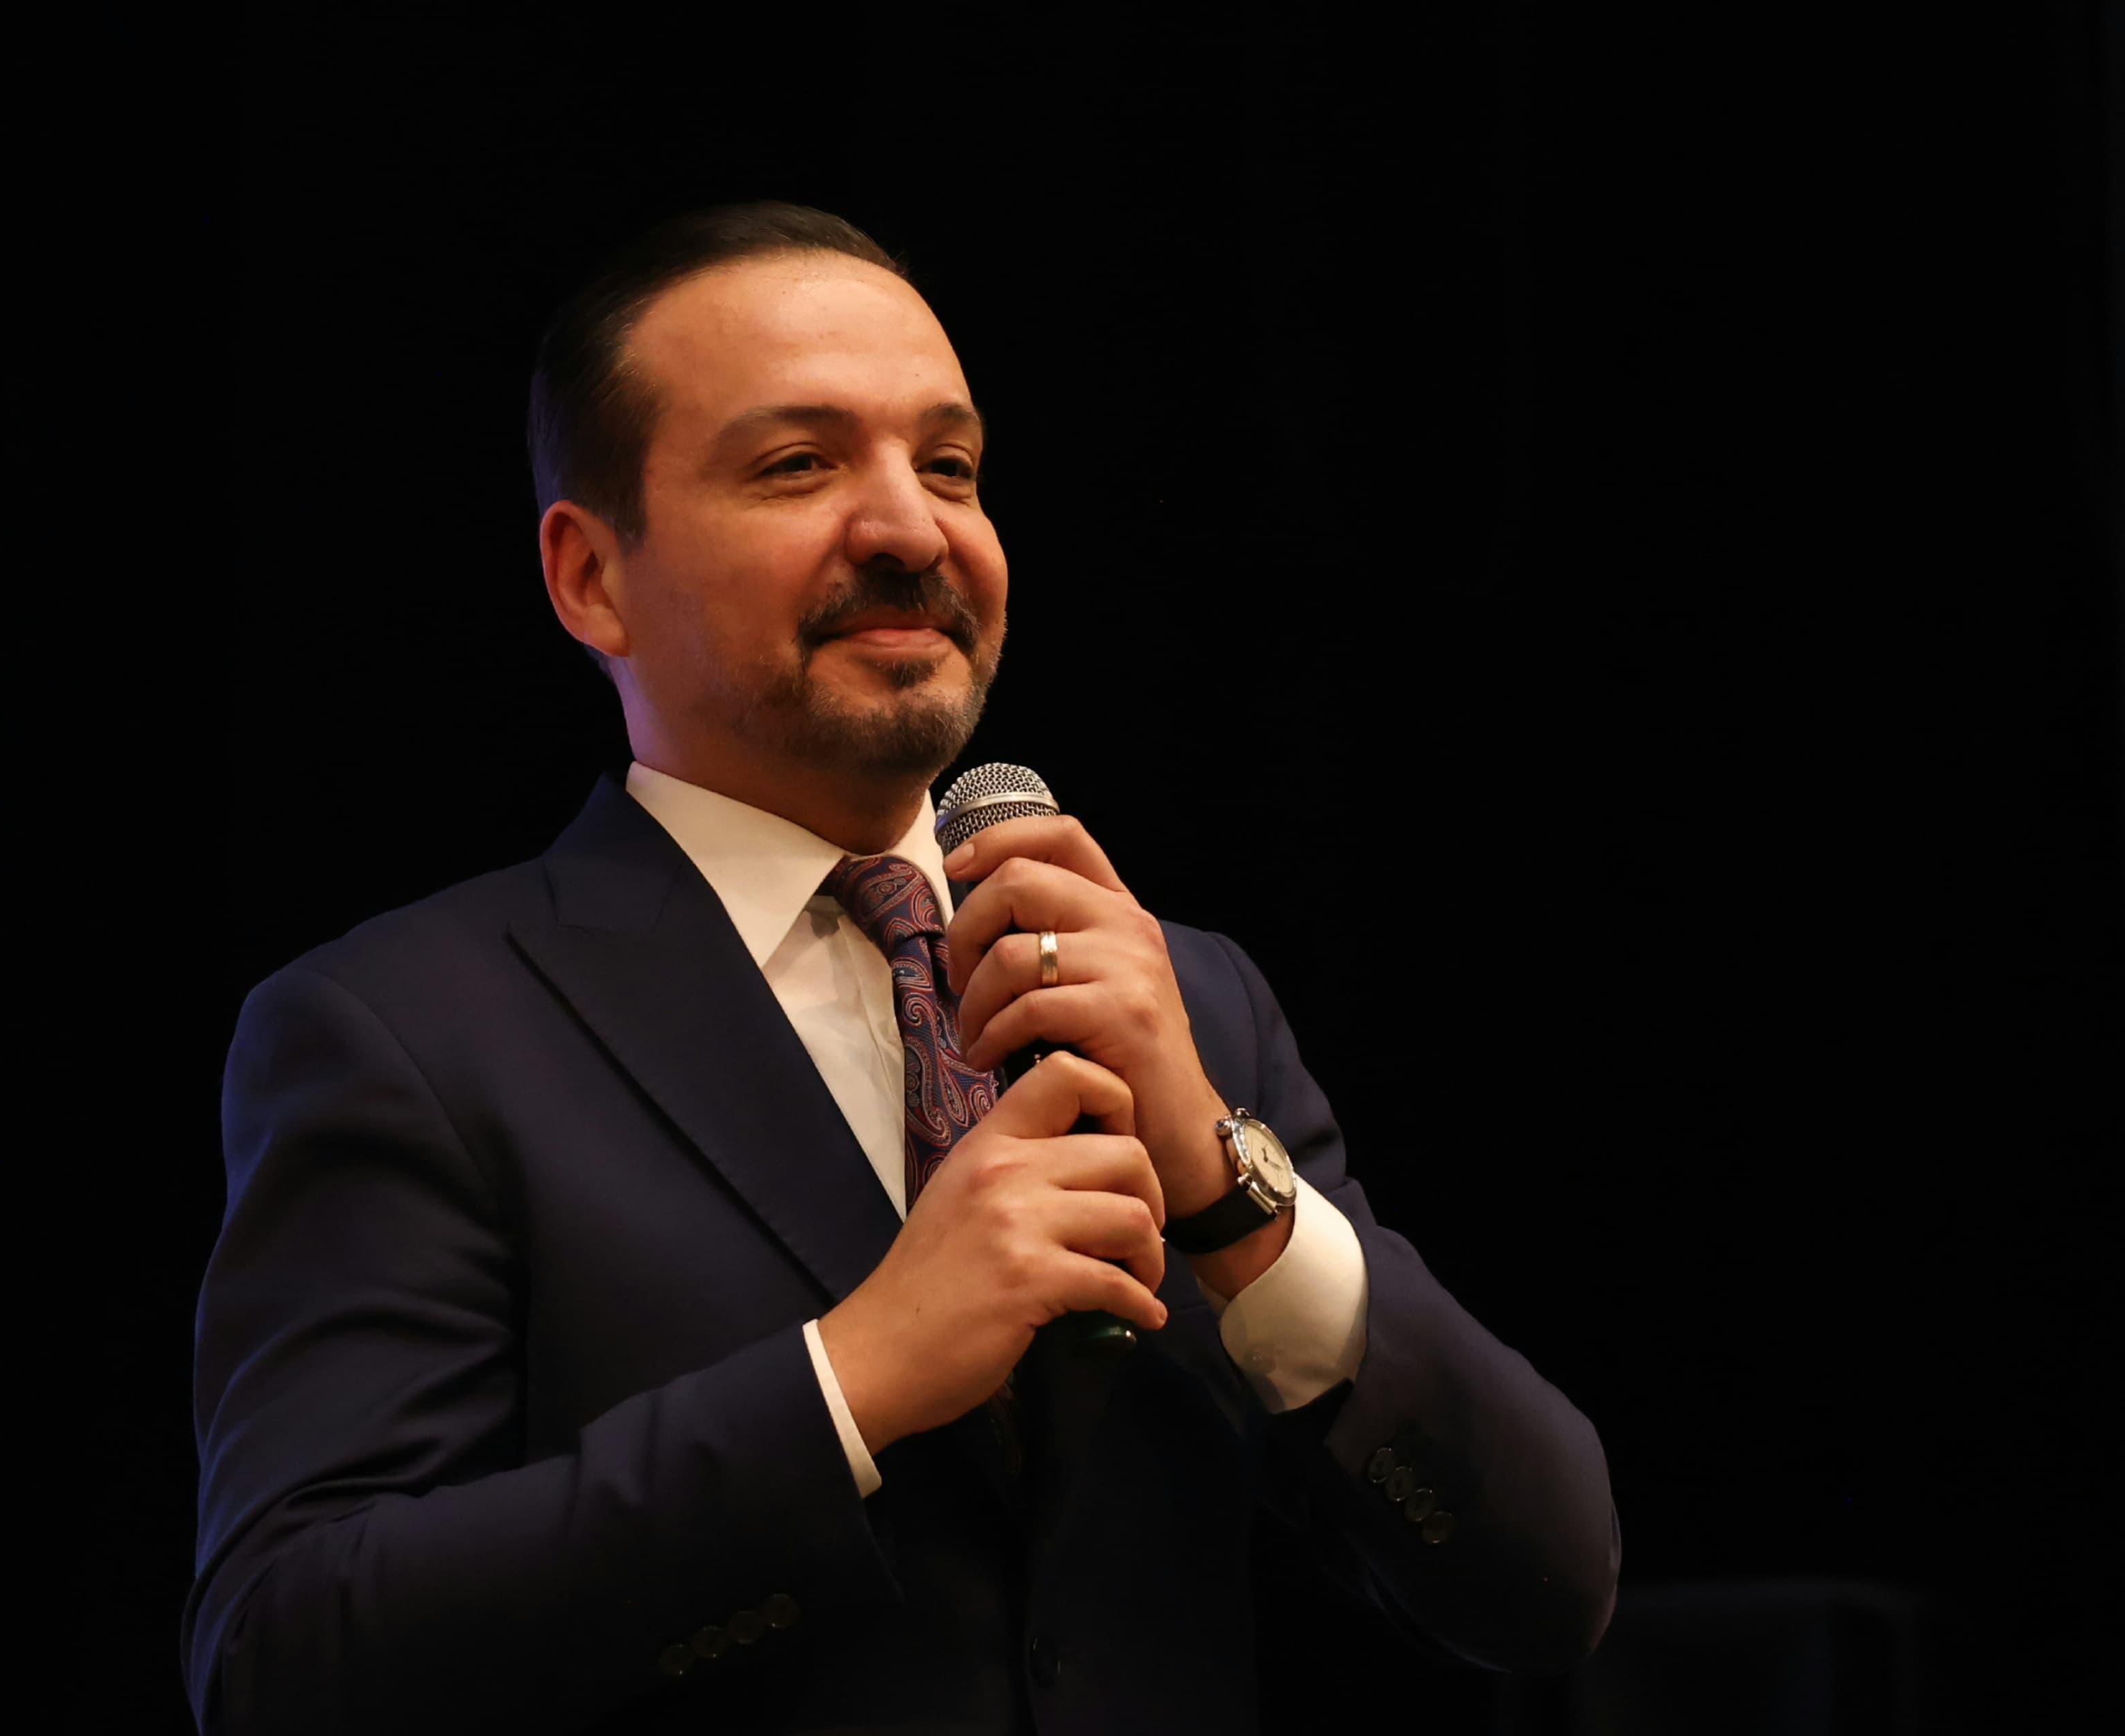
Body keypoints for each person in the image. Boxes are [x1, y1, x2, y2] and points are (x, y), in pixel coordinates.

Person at [184, 201, 1619, 1735]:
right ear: (590, 575)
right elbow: (286, 1659)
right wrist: (848, 1381)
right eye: (799, 466)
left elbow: (1545, 1590)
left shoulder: (1181, 1006)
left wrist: (1229, 1194)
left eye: (948, 466)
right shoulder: (404, 1031)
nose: (911, 532)